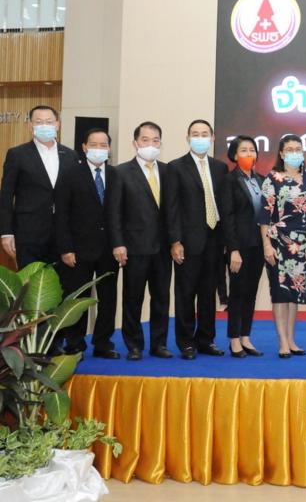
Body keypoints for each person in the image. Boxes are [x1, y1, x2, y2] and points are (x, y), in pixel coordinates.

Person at [164, 120, 229, 360]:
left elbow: (224, 204)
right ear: (188, 138)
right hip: (188, 242)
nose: (200, 138)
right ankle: (186, 342)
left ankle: (206, 340)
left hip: (214, 239)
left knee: (208, 293)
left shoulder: (220, 167)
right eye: (195, 134)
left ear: (212, 138)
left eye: (204, 134)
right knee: (185, 293)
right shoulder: (175, 167)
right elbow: (171, 207)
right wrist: (175, 241)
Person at [108, 122, 172, 361]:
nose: (151, 144)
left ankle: (159, 344)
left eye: (155, 140)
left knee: (162, 298)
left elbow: (172, 210)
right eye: (145, 140)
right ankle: (134, 345)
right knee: (133, 299)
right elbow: (114, 212)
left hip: (163, 248)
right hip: (134, 247)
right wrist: (118, 243)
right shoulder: (121, 172)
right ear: (135, 143)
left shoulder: (167, 171)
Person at [54, 128, 119, 358]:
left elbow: (118, 213)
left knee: (108, 298)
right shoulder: (70, 174)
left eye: (103, 145)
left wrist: (119, 244)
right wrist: (65, 248)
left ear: (109, 148)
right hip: (78, 250)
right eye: (94, 144)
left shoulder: (115, 175)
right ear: (84, 147)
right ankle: (75, 342)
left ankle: (103, 343)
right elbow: (61, 215)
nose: (99, 149)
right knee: (77, 298)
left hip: (108, 249)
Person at [258, 134, 306, 358]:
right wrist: (266, 245)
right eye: (289, 149)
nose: (294, 153)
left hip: (303, 246)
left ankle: (292, 340)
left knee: (295, 294)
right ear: (282, 154)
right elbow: (264, 216)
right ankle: (282, 342)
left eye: (297, 149)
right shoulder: (272, 178)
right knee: (280, 293)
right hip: (279, 244)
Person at [0, 105, 77, 267]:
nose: (44, 126)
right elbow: (6, 196)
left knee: (62, 281)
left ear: (57, 124)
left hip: (63, 237)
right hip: (28, 234)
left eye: (49, 122)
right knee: (31, 281)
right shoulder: (17, 154)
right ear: (30, 126)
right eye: (39, 122)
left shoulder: (70, 155)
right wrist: (6, 232)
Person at [221, 135, 266, 358]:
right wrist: (233, 250)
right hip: (239, 246)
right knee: (237, 292)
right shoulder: (229, 181)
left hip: (258, 245)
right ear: (234, 155)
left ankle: (246, 336)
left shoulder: (261, 180)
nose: (249, 154)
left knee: (251, 292)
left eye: (252, 150)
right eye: (244, 150)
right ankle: (234, 339)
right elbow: (227, 217)